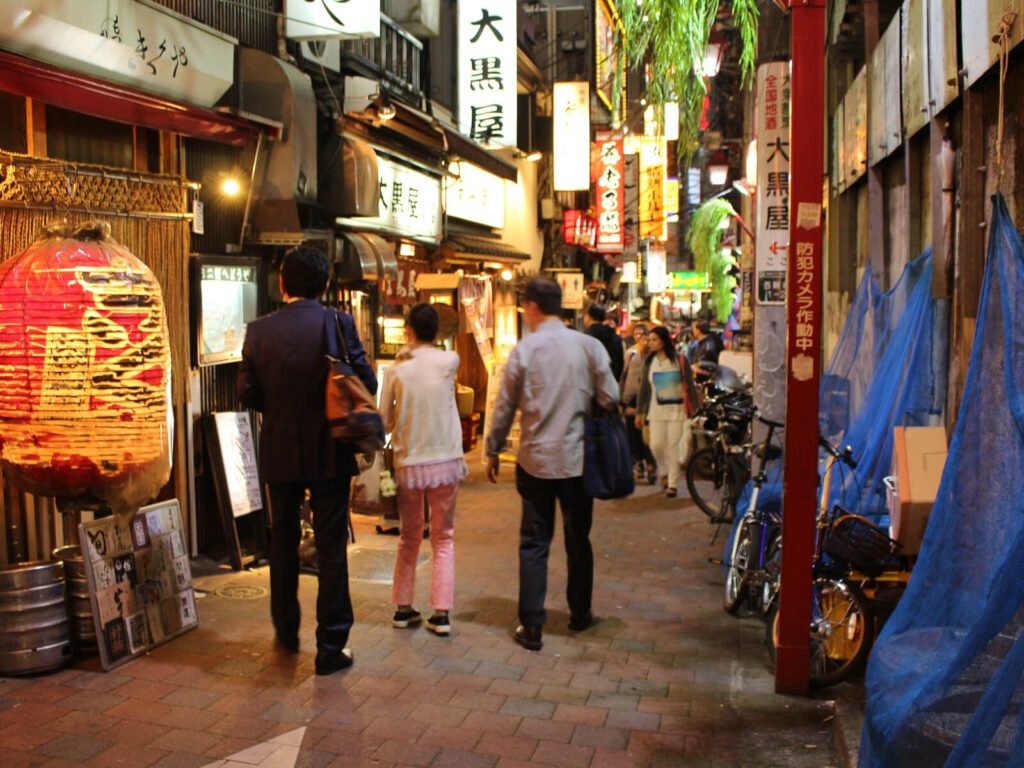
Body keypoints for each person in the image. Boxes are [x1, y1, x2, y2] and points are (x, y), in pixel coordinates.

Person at [237, 246, 376, 676]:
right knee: (331, 545)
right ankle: (331, 646)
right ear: (326, 286)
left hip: (280, 447)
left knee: (282, 539)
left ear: (282, 284)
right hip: (330, 447)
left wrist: (279, 409)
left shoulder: (259, 330)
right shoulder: (339, 322)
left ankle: (286, 630)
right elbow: (365, 381)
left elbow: (247, 392)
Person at [485, 277, 619, 652]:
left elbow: (504, 408)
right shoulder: (588, 346)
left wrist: (493, 449)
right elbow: (611, 396)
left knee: (534, 543)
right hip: (578, 461)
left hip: (535, 460)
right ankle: (579, 613)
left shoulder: (524, 351)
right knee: (579, 539)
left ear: (532, 307)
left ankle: (532, 626)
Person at [378, 303, 467, 637]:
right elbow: (435, 357)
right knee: (443, 537)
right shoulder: (449, 362)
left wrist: (405, 354)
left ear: (408, 330)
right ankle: (441, 613)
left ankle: (403, 608)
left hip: (408, 463)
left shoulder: (395, 371)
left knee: (409, 536)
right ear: (438, 333)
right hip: (446, 460)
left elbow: (384, 421)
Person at [636, 325, 700, 498]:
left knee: (673, 447)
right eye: (649, 340)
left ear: (664, 340)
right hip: (656, 411)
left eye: (654, 339)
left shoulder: (680, 359)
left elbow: (690, 385)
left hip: (677, 411)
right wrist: (639, 411)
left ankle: (672, 484)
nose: (651, 343)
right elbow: (644, 388)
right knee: (656, 445)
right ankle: (662, 471)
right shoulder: (650, 361)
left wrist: (695, 410)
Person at [620, 323, 657, 485]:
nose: (641, 338)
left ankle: (650, 464)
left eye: (644, 335)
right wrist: (621, 400)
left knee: (647, 435)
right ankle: (638, 464)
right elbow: (623, 376)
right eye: (637, 335)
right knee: (633, 434)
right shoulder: (630, 354)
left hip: (649, 400)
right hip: (631, 397)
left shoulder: (655, 357)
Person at [583, 304, 624, 380]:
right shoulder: (615, 337)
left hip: (590, 382)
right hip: (610, 382)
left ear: (589, 317)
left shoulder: (585, 337)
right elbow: (620, 363)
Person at [687, 319, 725, 383]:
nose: (692, 331)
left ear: (698, 330)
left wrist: (699, 364)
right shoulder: (700, 343)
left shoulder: (710, 343)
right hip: (700, 380)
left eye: (694, 329)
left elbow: (711, 360)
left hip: (709, 381)